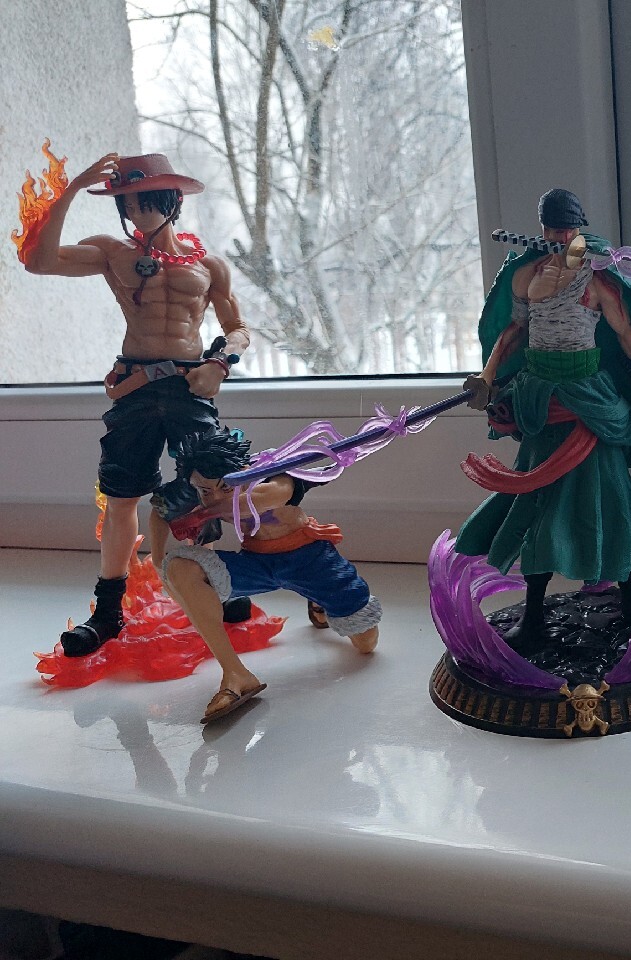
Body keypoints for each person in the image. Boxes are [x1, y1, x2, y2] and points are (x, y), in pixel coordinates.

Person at [455, 188, 631, 646]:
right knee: (537, 505)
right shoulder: (527, 275)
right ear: (543, 228)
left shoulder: (596, 278)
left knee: (613, 501)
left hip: (593, 405)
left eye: (567, 228)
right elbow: (514, 330)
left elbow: (628, 334)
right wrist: (488, 374)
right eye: (552, 228)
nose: (560, 236)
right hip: (543, 404)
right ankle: (533, 617)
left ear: (577, 227)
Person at [23, 152, 250, 657]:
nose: (137, 212)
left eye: (147, 201)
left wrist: (221, 363)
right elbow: (40, 261)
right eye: (127, 203)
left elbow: (237, 327)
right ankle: (108, 610)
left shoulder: (209, 265)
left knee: (205, 487)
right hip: (136, 385)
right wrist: (71, 189)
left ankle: (211, 582)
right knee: (122, 494)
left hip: (189, 385)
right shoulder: (112, 251)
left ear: (171, 202)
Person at [150, 429, 381, 723]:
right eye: (205, 491)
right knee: (180, 567)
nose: (214, 496)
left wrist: (203, 512)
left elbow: (270, 496)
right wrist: (158, 559)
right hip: (257, 563)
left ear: (244, 469)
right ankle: (236, 674)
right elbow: (160, 509)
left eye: (226, 486)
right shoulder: (199, 487)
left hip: (310, 559)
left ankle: (319, 600)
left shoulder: (273, 472)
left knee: (366, 643)